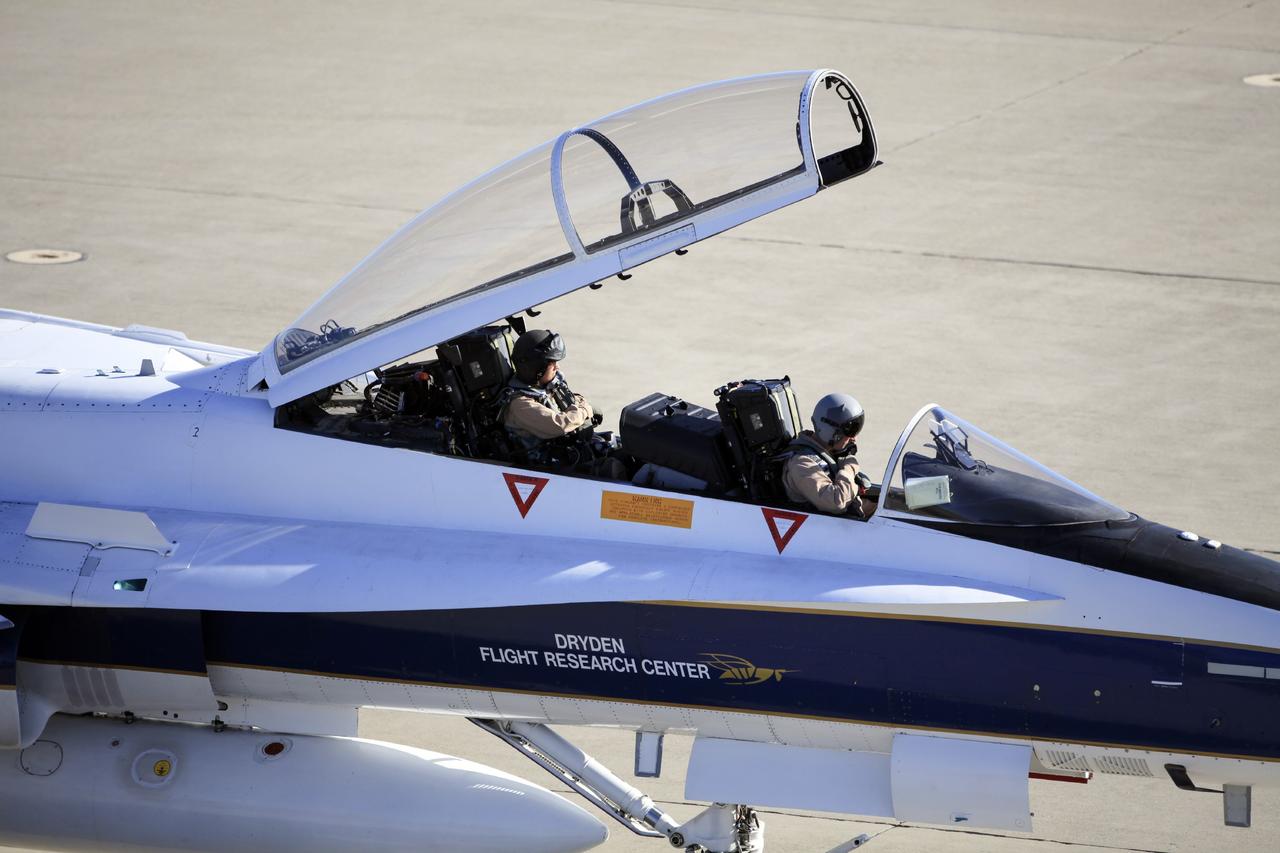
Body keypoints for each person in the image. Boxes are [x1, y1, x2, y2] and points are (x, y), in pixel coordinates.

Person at [498, 329, 622, 476]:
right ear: (536, 368)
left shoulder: (544, 386)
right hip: (545, 470)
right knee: (612, 470)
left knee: (623, 449)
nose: (557, 367)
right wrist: (585, 411)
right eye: (552, 363)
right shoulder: (520, 404)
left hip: (566, 452)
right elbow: (559, 424)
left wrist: (581, 407)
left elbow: (571, 398)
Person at [781, 393, 872, 516]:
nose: (854, 438)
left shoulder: (826, 452)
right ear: (832, 431)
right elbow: (836, 502)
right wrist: (849, 468)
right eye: (850, 431)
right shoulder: (801, 463)